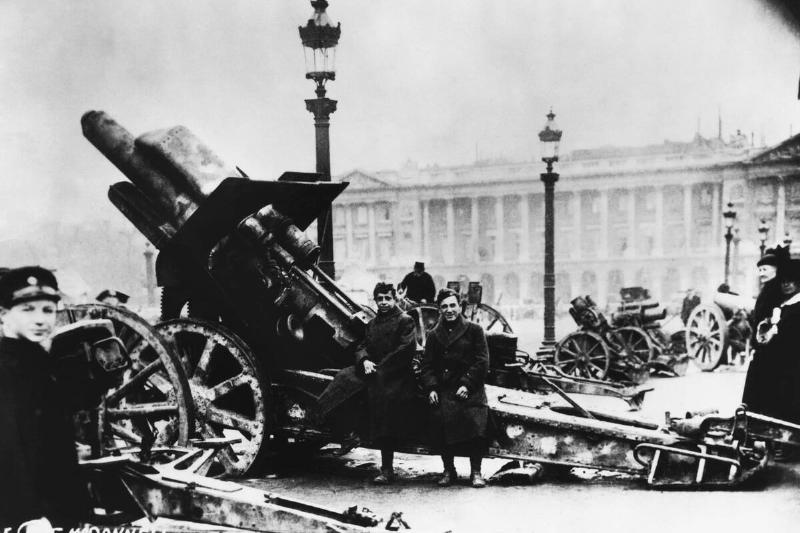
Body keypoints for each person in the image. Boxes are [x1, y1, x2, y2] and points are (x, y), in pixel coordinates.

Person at [0, 267, 91, 529]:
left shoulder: (39, 363)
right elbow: (9, 450)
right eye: (28, 310)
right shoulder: (7, 370)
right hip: (27, 519)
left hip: (60, 512)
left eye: (48, 310)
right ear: (4, 315)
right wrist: (27, 516)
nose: (40, 320)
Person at [420, 288, 490, 488]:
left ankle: (475, 471)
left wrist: (467, 384)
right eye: (444, 306)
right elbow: (427, 366)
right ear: (439, 309)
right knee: (440, 418)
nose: (449, 310)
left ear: (460, 307)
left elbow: (482, 361)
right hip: (445, 389)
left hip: (470, 387)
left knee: (475, 420)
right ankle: (449, 470)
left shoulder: (474, 330)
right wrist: (432, 387)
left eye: (452, 305)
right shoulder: (434, 335)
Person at [356, 282, 417, 484]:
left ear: (395, 299)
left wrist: (380, 367)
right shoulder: (372, 324)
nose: (383, 303)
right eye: (380, 299)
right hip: (376, 374)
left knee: (386, 404)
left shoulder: (405, 320)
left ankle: (387, 468)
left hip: (398, 377)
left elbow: (405, 349)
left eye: (387, 298)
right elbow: (362, 346)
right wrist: (364, 360)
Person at [746, 258, 800, 426]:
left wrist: (775, 331)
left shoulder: (796, 305)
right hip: (777, 361)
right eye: (783, 282)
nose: (786, 285)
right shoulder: (781, 304)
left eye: (791, 282)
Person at [742, 244, 790, 409]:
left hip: (771, 347)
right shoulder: (769, 288)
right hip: (763, 345)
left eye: (764, 269)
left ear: (776, 269)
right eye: (760, 270)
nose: (761, 273)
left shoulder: (776, 290)